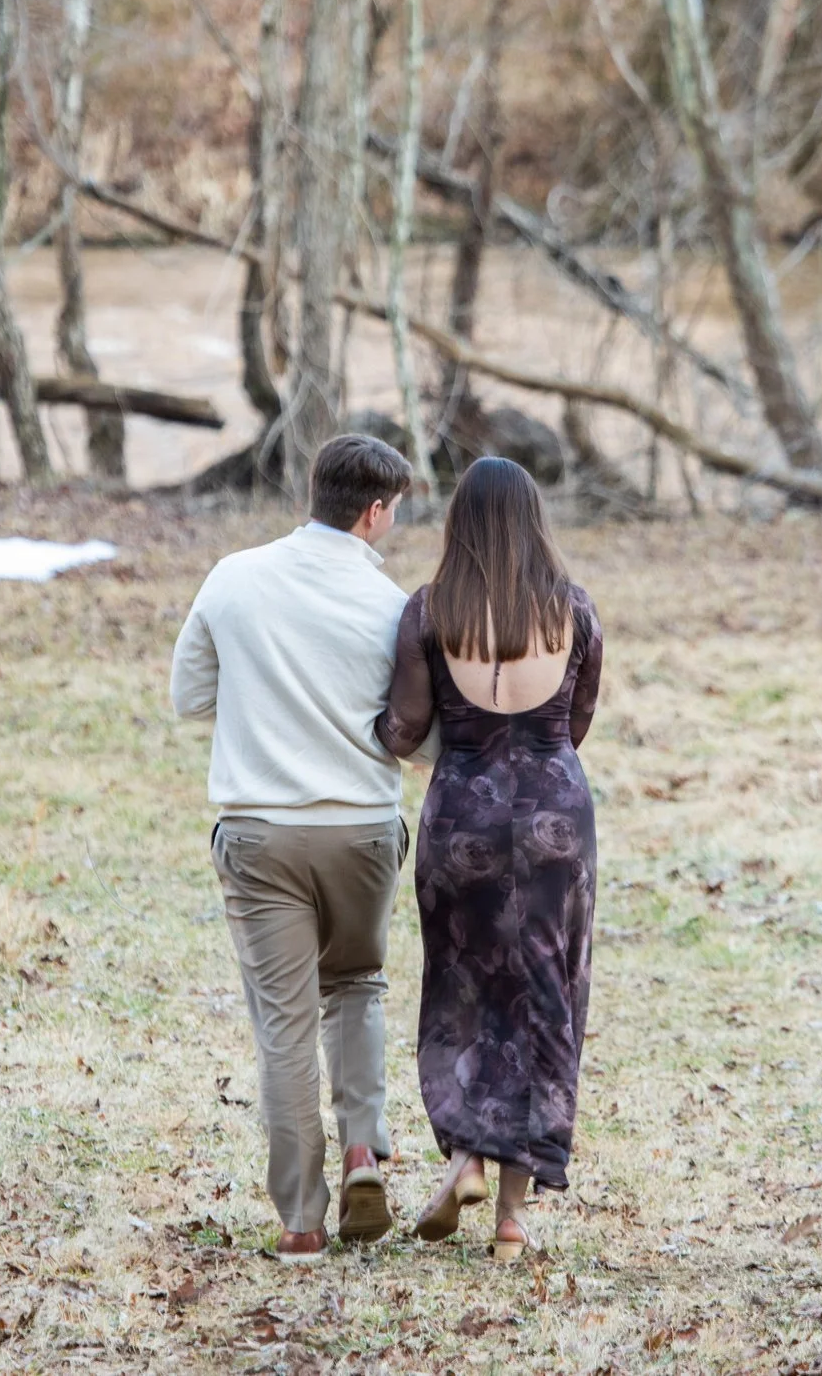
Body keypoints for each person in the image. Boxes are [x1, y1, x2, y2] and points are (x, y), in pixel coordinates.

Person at [170, 433, 418, 1263]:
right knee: (357, 983)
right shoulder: (394, 608)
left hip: (259, 831)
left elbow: (188, 694)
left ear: (314, 490)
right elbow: (413, 734)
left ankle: (302, 1222)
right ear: (375, 511)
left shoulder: (234, 576)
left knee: (284, 1025)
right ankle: (362, 1146)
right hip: (362, 829)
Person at [376, 456, 602, 1263]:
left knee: (465, 988)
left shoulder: (429, 612)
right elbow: (573, 725)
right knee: (545, 995)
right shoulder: (574, 610)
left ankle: (467, 1154)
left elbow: (402, 730)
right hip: (555, 827)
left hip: (461, 820)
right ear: (535, 520)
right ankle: (511, 1216)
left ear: (459, 524)